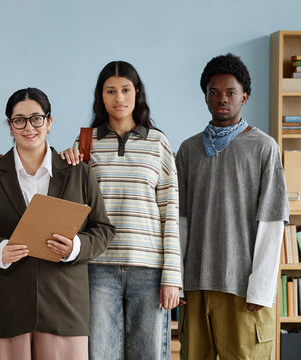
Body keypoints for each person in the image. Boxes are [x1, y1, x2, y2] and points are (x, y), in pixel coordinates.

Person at [0, 87, 115, 360]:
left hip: (63, 307)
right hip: (2, 306)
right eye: (19, 120)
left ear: (49, 123)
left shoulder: (79, 173)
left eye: (37, 118)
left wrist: (74, 247)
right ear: (10, 125)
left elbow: (103, 229)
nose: (29, 127)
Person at [60, 61, 182, 360]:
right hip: (98, 267)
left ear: (137, 93)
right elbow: (74, 205)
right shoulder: (85, 143)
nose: (119, 98)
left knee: (149, 355)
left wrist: (172, 276)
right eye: (110, 91)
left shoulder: (158, 143)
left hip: (149, 269)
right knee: (100, 354)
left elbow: (170, 213)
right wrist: (65, 165)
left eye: (126, 90)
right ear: (101, 96)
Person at [175, 53, 289, 359]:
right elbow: (179, 220)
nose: (221, 99)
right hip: (195, 286)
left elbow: (272, 220)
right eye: (214, 93)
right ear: (206, 97)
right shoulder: (187, 150)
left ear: (245, 97)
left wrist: (262, 288)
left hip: (242, 289)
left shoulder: (264, 148)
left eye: (230, 93)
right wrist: (177, 279)